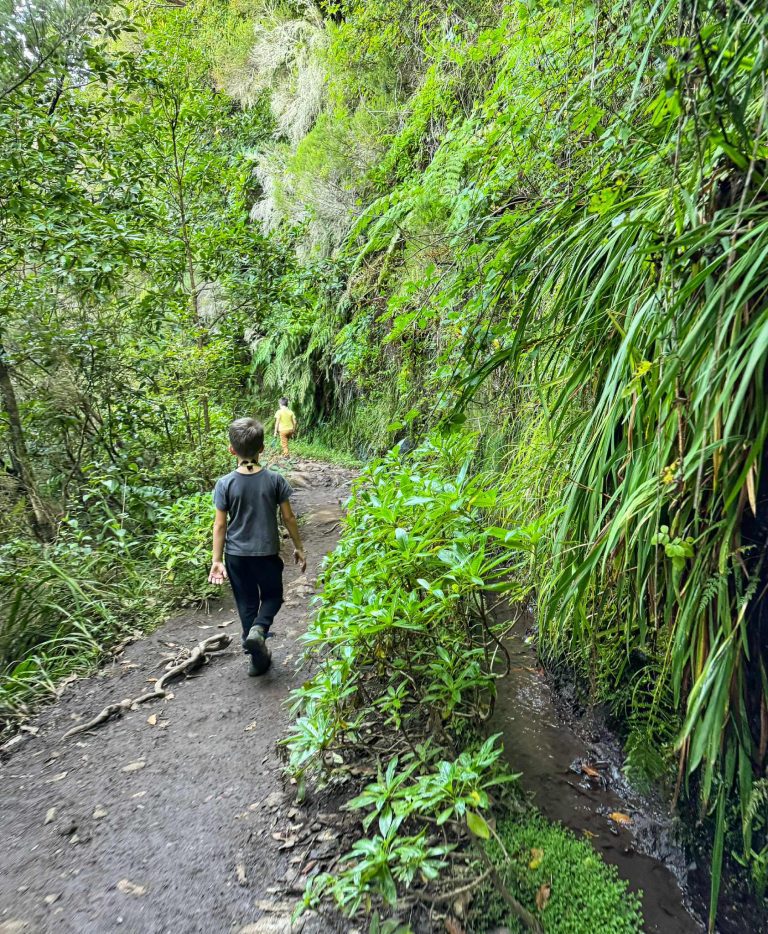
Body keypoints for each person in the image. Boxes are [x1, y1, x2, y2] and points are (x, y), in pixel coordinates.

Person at [208, 417, 306, 676]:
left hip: (236, 556)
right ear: (262, 448)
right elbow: (288, 518)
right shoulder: (275, 480)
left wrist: (217, 560)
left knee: (246, 603)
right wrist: (299, 547)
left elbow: (220, 526)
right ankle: (260, 630)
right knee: (273, 596)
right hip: (266, 554)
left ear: (231, 450)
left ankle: (256, 657)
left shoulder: (225, 484)